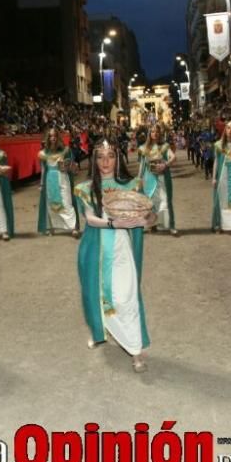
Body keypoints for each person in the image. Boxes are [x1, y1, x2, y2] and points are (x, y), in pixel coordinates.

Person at [73, 138, 157, 373]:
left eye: (110, 156)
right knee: (95, 295)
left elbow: (150, 216)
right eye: (100, 157)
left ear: (118, 158)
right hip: (95, 250)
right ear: (94, 160)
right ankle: (100, 331)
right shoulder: (86, 187)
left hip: (122, 249)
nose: (105, 162)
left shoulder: (132, 185)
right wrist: (113, 223)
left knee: (125, 298)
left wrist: (146, 219)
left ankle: (135, 349)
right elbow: (90, 219)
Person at [36, 127, 79, 237]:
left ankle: (73, 227)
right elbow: (43, 170)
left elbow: (73, 166)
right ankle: (52, 227)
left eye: (54, 136)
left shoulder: (65, 150)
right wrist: (41, 184)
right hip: (49, 180)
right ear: (47, 138)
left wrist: (67, 165)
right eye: (50, 136)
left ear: (58, 137)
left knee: (66, 202)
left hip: (63, 179)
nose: (52, 138)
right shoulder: (43, 153)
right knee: (51, 204)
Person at [137, 124, 178, 236]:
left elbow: (173, 157)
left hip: (163, 178)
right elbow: (142, 166)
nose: (155, 134)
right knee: (151, 202)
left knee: (166, 201)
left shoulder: (165, 146)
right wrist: (138, 180)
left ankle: (171, 226)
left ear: (160, 133)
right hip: (149, 179)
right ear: (150, 133)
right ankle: (152, 224)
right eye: (153, 131)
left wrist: (166, 164)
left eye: (157, 131)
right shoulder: (144, 148)